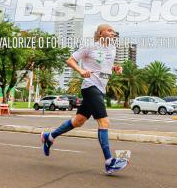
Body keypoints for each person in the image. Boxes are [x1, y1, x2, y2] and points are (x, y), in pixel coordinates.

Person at [41, 24, 128, 174]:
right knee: (104, 121)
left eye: (113, 31)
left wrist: (115, 68)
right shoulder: (89, 47)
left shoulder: (112, 48)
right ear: (101, 34)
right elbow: (70, 60)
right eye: (109, 30)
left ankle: (49, 136)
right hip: (90, 86)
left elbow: (105, 64)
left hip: (100, 88)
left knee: (78, 121)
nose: (112, 33)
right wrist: (81, 70)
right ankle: (109, 162)